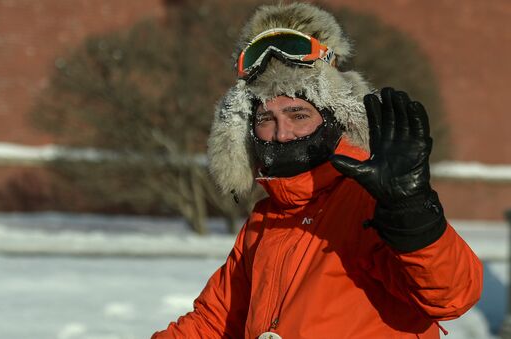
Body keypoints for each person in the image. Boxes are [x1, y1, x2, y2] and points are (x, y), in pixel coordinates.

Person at [153, 3, 482, 338]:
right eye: (267, 119)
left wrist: (412, 213)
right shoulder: (265, 220)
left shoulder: (368, 202)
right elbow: (213, 323)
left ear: (334, 117)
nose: (282, 134)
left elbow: (451, 296)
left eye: (299, 115)